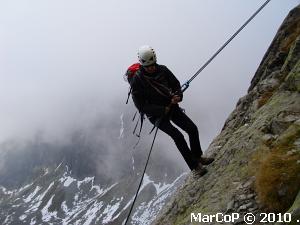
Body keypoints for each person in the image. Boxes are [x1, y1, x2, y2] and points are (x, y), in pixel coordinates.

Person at [129, 45, 214, 176]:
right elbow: (141, 106)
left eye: (153, 64)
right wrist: (163, 109)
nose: (151, 68)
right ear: (142, 65)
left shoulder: (163, 70)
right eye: (148, 66)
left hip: (172, 107)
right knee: (178, 136)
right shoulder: (137, 81)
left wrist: (178, 96)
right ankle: (195, 167)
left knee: (192, 129)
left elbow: (175, 84)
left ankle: (197, 156)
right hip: (156, 115)